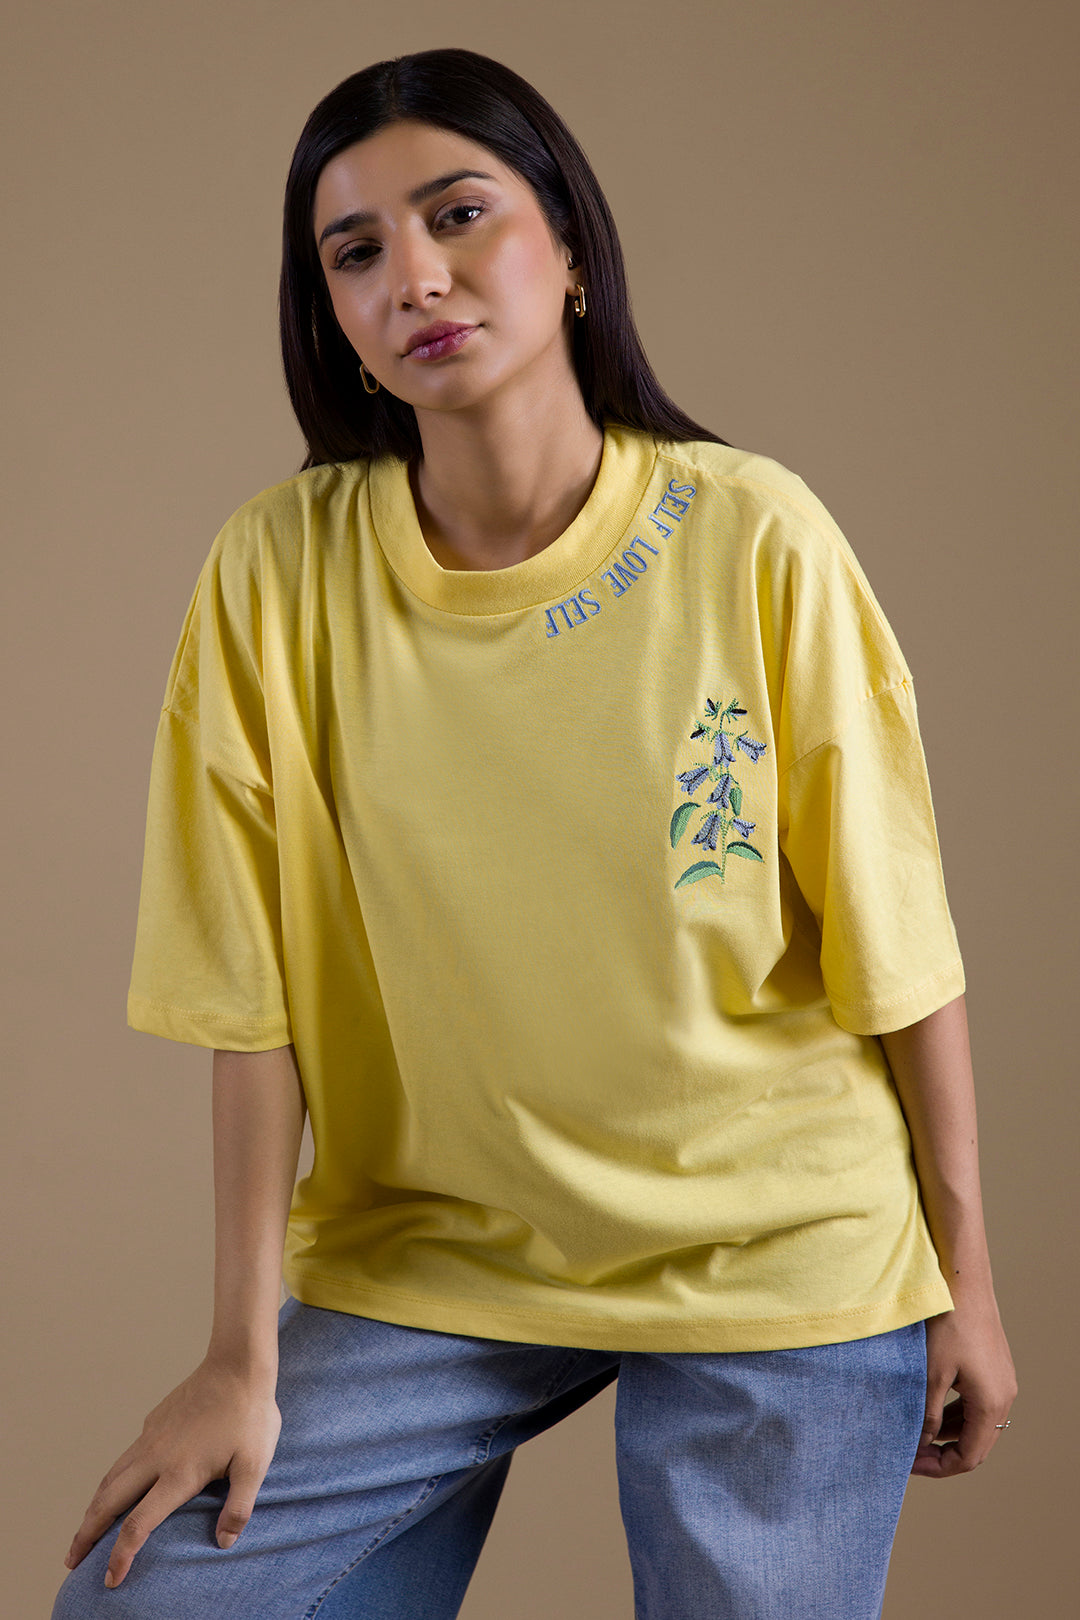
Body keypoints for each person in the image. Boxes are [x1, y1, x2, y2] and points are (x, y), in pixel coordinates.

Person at [54, 46, 1017, 1620]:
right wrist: (238, 1356)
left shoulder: (754, 534)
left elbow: (896, 941)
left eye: (459, 215)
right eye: (356, 251)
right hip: (438, 1250)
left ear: (569, 247)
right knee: (144, 1599)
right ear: (331, 314)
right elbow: (249, 998)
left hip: (774, 1250)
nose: (414, 277)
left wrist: (965, 1283)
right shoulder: (275, 574)